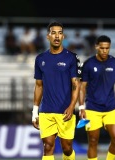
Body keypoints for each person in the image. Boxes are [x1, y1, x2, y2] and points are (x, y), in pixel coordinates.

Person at [32, 21, 81, 160]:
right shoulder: (40, 59)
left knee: (66, 148)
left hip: (65, 111)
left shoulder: (71, 57)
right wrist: (35, 112)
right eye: (53, 33)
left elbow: (76, 85)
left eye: (60, 33)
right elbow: (38, 86)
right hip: (46, 111)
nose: (57, 36)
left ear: (63, 37)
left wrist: (72, 107)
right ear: (48, 36)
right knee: (48, 147)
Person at [78, 35, 115, 160]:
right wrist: (81, 107)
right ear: (96, 47)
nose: (105, 51)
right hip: (92, 109)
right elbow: (82, 87)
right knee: (93, 141)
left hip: (111, 108)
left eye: (107, 48)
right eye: (102, 48)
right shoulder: (88, 64)